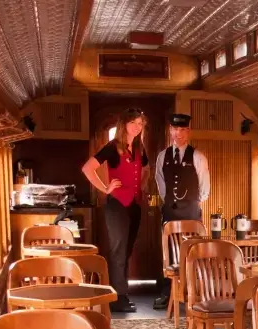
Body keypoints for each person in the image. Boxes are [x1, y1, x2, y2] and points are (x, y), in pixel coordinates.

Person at [81, 108, 149, 313]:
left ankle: (120, 292)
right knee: (118, 250)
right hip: (117, 205)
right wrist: (105, 188)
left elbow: (145, 169)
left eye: (140, 123)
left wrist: (142, 188)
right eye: (134, 123)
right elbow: (87, 168)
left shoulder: (139, 147)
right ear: (124, 125)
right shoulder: (112, 147)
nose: (137, 127)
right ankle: (117, 297)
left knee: (126, 250)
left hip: (134, 205)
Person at [152, 112, 210, 310]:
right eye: (175, 129)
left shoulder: (197, 156)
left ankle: (194, 292)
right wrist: (170, 200)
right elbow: (160, 182)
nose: (179, 133)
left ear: (188, 132)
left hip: (191, 214)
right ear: (170, 130)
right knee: (168, 252)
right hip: (170, 212)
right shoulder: (162, 156)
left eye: (183, 129)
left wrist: (191, 203)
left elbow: (205, 188)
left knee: (193, 253)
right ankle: (168, 294)